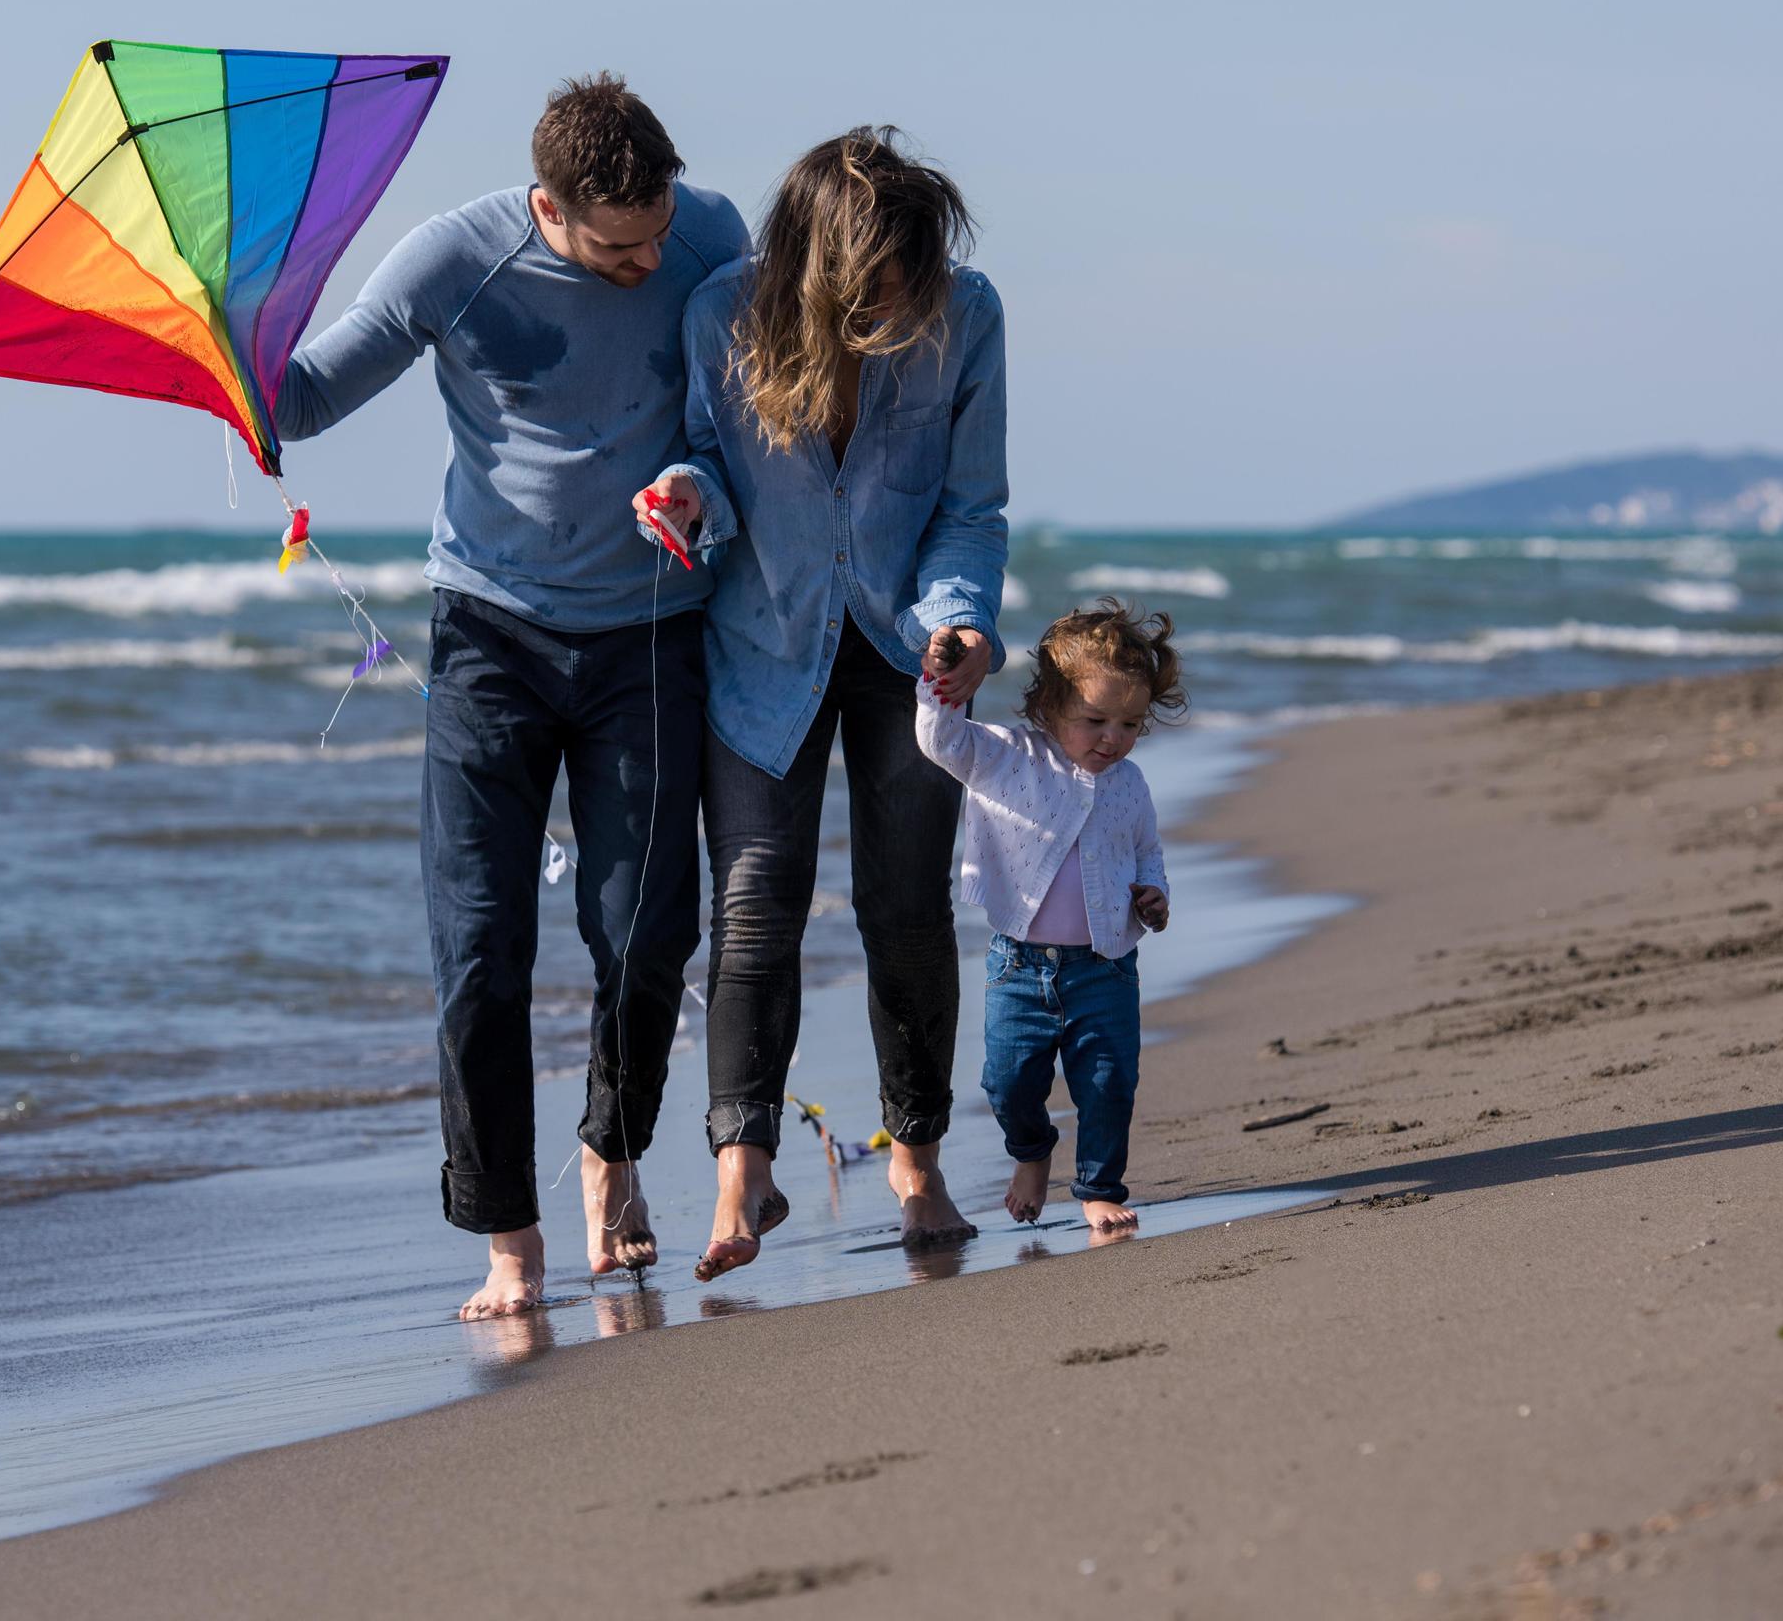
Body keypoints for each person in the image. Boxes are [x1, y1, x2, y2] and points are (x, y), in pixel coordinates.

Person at [274, 74, 748, 1320]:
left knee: (646, 933)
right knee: (480, 947)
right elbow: (306, 400)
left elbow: (730, 427)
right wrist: (224, 352)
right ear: (548, 205)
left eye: (657, 233)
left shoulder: (712, 236)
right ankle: (508, 1243)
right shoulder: (451, 263)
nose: (649, 260)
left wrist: (695, 481)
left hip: (650, 633)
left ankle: (611, 1150)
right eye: (617, 246)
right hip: (489, 636)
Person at [634, 128, 1008, 1279]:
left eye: (912, 278)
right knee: (753, 908)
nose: (899, 304)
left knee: (905, 911)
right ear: (816, 266)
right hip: (765, 644)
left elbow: (972, 502)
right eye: (876, 285)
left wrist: (963, 623)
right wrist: (686, 496)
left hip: (910, 646)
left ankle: (919, 1165)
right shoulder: (721, 316)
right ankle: (741, 1171)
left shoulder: (967, 314)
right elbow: (710, 462)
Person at [914, 600, 1183, 1235]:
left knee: (1108, 1084)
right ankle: (1032, 1154)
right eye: (1094, 720)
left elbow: (1146, 852)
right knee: (1007, 1083)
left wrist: (1154, 894)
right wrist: (939, 679)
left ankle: (1097, 1187)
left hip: (1106, 967)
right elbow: (939, 738)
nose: (1112, 737)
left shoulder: (1131, 784)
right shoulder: (1006, 757)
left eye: (1129, 724)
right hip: (1019, 965)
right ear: (1048, 708)